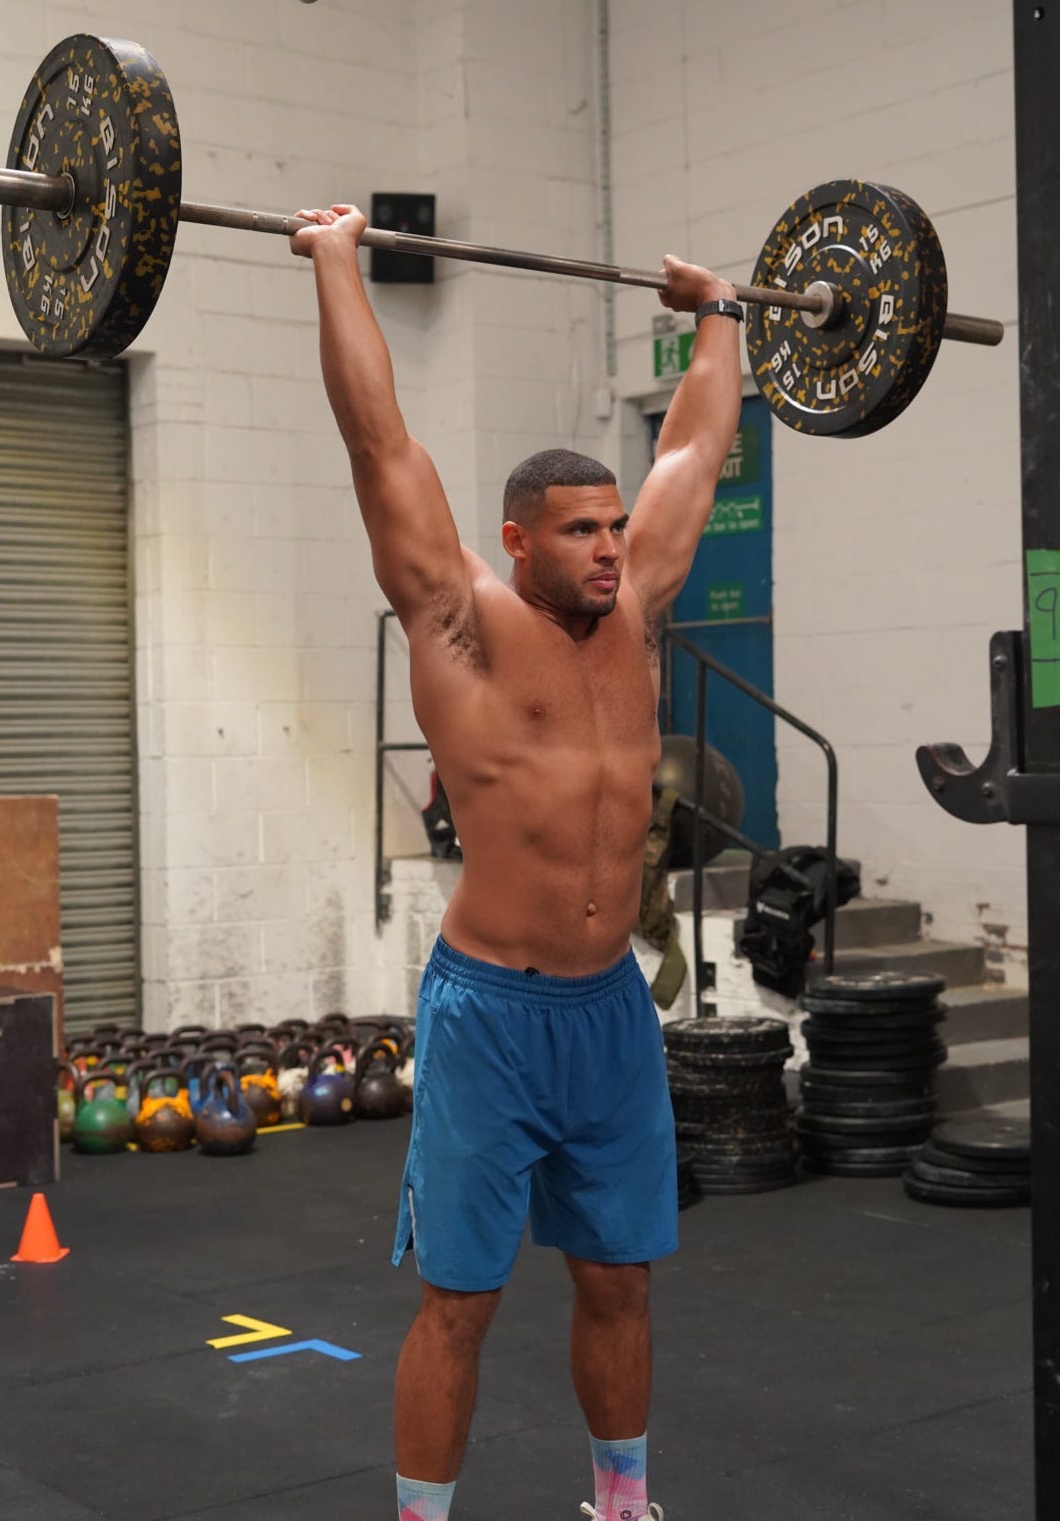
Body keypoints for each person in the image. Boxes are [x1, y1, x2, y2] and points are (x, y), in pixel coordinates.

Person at [291, 203, 743, 1521]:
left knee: (621, 1278)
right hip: (492, 1012)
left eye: (614, 526)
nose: (612, 546)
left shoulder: (638, 609)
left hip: (609, 1011)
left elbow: (700, 446)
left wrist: (718, 314)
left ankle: (620, 1504)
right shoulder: (459, 626)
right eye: (581, 532)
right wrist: (336, 262)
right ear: (515, 542)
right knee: (463, 1300)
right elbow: (381, 441)